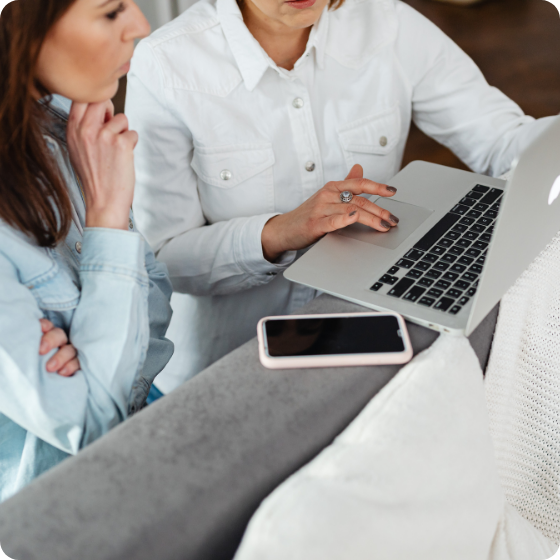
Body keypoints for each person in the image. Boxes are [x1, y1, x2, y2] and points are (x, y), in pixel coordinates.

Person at [126, 0, 553, 394]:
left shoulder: (388, 23)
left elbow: (504, 140)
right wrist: (279, 232)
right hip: (231, 364)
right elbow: (164, 258)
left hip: (370, 339)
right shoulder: (166, 64)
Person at [0, 0, 173, 502]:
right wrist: (108, 217)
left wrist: (93, 352)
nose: (141, 25)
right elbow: (94, 426)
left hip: (147, 423)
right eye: (111, 11)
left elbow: (156, 313)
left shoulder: (67, 128)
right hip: (56, 504)